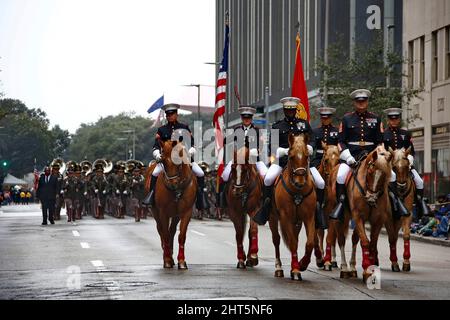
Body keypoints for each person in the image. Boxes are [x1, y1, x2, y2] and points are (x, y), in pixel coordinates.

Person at [253, 97, 327, 229]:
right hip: (281, 162)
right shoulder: (277, 125)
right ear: (284, 110)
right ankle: (266, 208)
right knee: (268, 179)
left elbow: (313, 139)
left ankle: (318, 211)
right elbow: (272, 147)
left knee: (321, 183)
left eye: (292, 110)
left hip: (302, 163)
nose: (290, 112)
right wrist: (284, 151)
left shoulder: (304, 124)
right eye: (288, 110)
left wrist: (309, 147)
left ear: (295, 110)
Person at [330, 89, 387, 221]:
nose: (361, 103)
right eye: (358, 101)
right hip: (352, 156)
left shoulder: (376, 118)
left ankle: (394, 204)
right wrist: (348, 157)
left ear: (367, 102)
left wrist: (379, 155)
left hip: (372, 157)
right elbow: (341, 142)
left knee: (392, 175)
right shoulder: (346, 119)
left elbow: (380, 141)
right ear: (354, 103)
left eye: (364, 101)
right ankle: (341, 204)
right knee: (340, 175)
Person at [142, 103, 209, 210]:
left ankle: (201, 198)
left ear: (176, 114)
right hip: (166, 160)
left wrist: (190, 152)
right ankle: (152, 195)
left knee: (200, 173)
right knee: (154, 173)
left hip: (184, 159)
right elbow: (156, 146)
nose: (170, 116)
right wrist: (157, 155)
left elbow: (192, 144)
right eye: (168, 115)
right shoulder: (161, 130)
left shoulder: (184, 127)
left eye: (172, 114)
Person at [383, 108, 431, 218]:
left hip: (405, 164)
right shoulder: (383, 134)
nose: (394, 121)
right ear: (388, 120)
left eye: (396, 119)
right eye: (391, 119)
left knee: (419, 181)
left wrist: (408, 161)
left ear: (399, 120)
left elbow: (411, 150)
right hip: (390, 165)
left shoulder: (405, 133)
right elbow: (383, 151)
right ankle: (393, 203)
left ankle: (420, 204)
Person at [218, 106, 268, 208]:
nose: (246, 120)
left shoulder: (257, 130)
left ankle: (267, 201)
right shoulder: (237, 130)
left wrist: (257, 151)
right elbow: (226, 141)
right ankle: (222, 201)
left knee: (266, 176)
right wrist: (225, 135)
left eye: (248, 118)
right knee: (225, 175)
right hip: (239, 161)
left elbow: (261, 145)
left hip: (254, 160)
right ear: (241, 118)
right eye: (244, 118)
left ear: (251, 118)